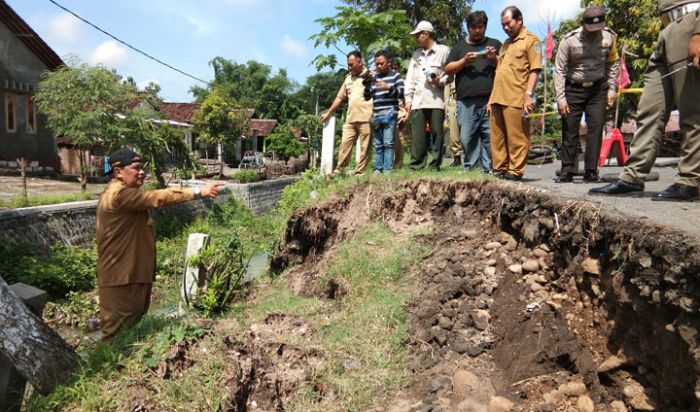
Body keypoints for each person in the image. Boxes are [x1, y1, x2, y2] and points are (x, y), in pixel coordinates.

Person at [96, 148, 223, 341]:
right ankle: (107, 370)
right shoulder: (118, 195)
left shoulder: (125, 193)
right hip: (120, 278)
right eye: (136, 168)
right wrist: (199, 191)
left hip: (130, 274)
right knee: (114, 336)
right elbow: (158, 197)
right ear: (118, 172)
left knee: (130, 331)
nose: (142, 172)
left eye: (142, 168)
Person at [590, 0, 700, 201]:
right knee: (650, 109)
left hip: (691, 22)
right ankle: (633, 176)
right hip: (666, 29)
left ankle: (691, 180)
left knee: (692, 111)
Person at [554, 6, 620, 183]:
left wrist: (612, 89)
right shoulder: (568, 41)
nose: (594, 33)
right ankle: (567, 170)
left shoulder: (610, 37)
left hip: (597, 89)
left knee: (596, 128)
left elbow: (613, 62)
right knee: (570, 129)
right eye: (590, 29)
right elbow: (559, 70)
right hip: (573, 88)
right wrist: (561, 99)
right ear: (582, 24)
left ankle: (591, 170)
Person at [488, 6, 542, 181]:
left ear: (519, 20)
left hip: (515, 96)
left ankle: (515, 170)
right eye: (503, 25)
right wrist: (490, 99)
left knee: (517, 136)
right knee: (497, 136)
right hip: (498, 96)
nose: (505, 27)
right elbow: (501, 70)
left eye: (508, 23)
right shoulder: (505, 44)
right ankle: (500, 168)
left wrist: (528, 95)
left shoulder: (531, 41)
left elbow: (535, 70)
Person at [445, 10, 501, 172]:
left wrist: (494, 58)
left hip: (490, 99)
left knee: (489, 136)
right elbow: (448, 69)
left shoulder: (495, 44)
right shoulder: (460, 47)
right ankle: (470, 168)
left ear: (485, 27)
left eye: (480, 27)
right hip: (466, 100)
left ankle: (488, 169)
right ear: (468, 28)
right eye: (473, 27)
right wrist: (464, 60)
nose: (477, 30)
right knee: (467, 137)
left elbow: (506, 68)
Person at [404, 20, 451, 171]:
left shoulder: (443, 51)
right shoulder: (416, 55)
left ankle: (435, 165)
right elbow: (410, 79)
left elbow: (450, 75)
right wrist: (408, 99)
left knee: (437, 134)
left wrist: (439, 81)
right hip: (418, 101)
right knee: (418, 136)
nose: (416, 38)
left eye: (418, 35)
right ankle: (416, 165)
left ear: (426, 34)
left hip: (436, 100)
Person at [320, 51, 374, 176]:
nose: (349, 67)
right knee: (344, 145)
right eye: (348, 65)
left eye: (352, 64)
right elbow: (339, 98)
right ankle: (339, 171)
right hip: (350, 119)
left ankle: (360, 172)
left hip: (367, 119)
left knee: (365, 149)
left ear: (360, 62)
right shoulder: (348, 78)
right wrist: (329, 112)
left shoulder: (372, 76)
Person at [365, 50, 405, 173]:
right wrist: (366, 86)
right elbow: (367, 97)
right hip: (377, 114)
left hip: (390, 113)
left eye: (381, 63)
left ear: (388, 62)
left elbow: (402, 92)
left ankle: (387, 169)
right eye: (377, 64)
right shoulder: (374, 78)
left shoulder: (395, 76)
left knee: (388, 143)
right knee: (378, 145)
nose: (379, 66)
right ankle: (378, 168)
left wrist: (388, 87)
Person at [444, 82, 464, 166]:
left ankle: (474, 159)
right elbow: (446, 93)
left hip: (467, 100)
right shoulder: (450, 76)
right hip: (453, 102)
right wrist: (446, 107)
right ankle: (457, 157)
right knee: (453, 133)